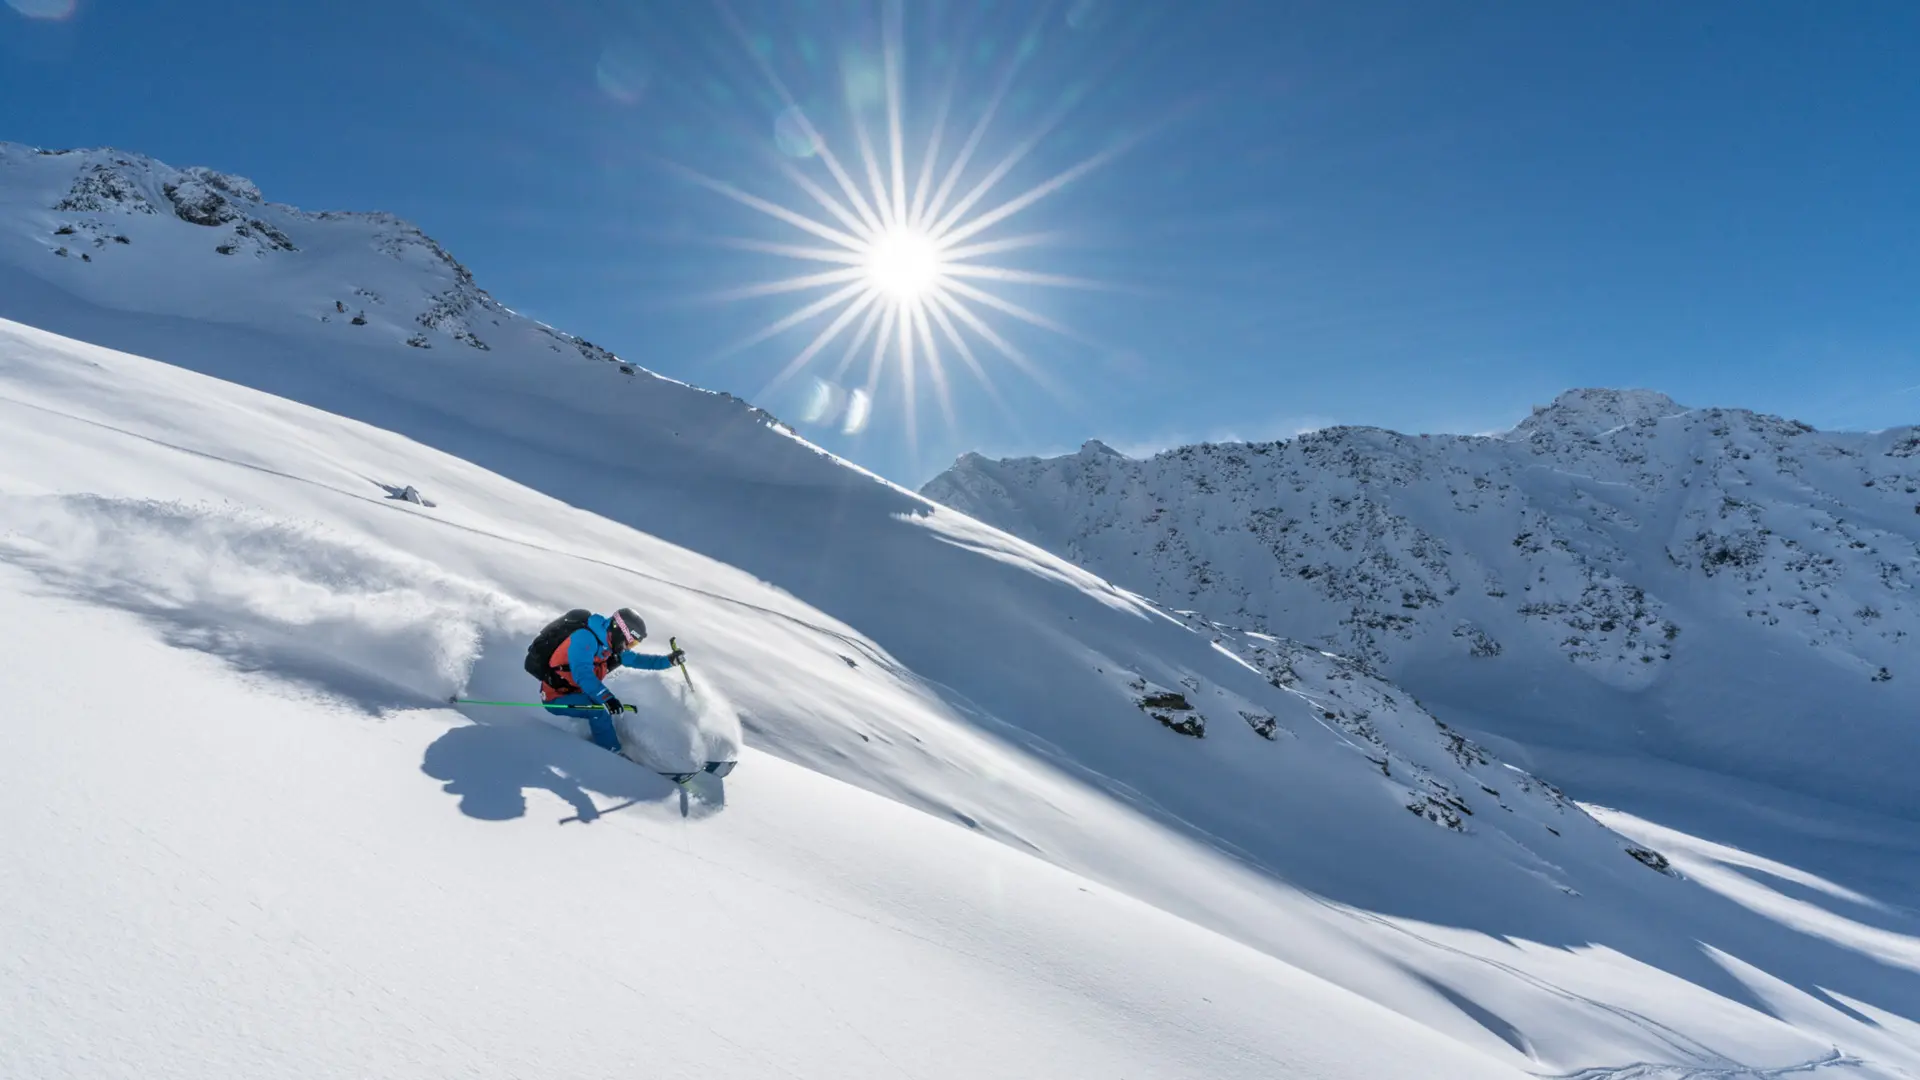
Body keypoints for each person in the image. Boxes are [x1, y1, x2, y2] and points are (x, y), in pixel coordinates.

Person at [536, 607, 685, 754]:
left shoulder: (612, 645)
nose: (628, 647)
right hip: (556, 697)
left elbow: (638, 660)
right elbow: (582, 674)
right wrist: (606, 698)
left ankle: (605, 742)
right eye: (630, 642)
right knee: (599, 710)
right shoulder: (584, 638)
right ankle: (611, 754)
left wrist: (669, 661)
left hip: (578, 691)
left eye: (633, 644)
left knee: (601, 702)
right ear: (620, 632)